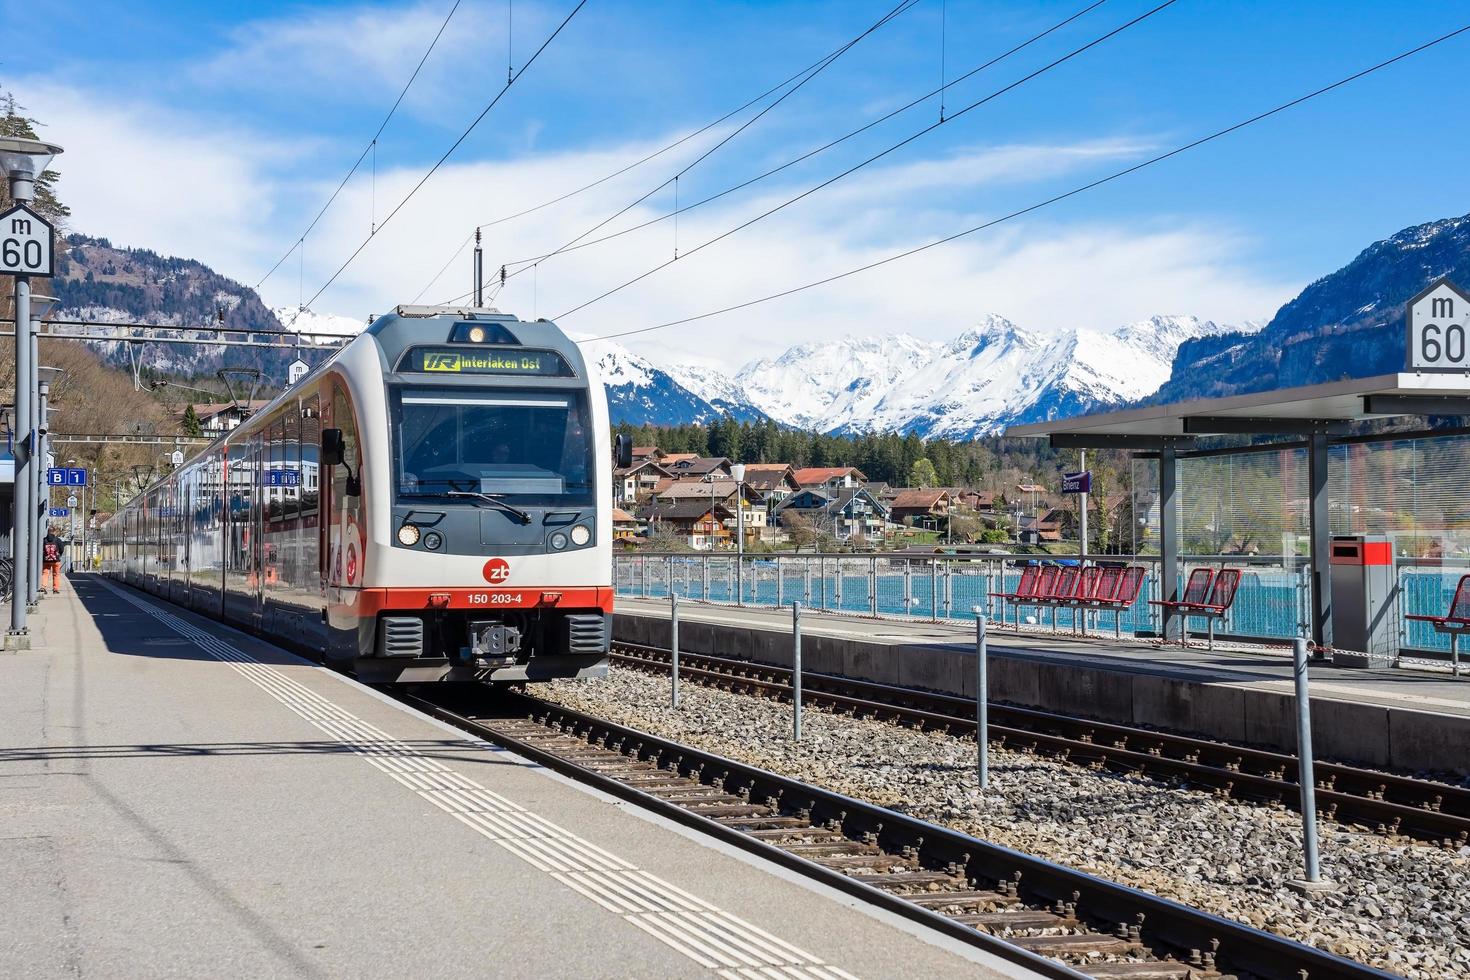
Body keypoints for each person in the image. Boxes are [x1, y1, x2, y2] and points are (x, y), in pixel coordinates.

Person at [42, 526, 66, 595]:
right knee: (56, 574)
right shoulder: (57, 540)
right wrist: (59, 555)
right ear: (54, 532)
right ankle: (55, 589)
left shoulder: (44, 540)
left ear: (48, 531)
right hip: (56, 560)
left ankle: (43, 587)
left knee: (45, 573)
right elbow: (61, 548)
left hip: (46, 560)